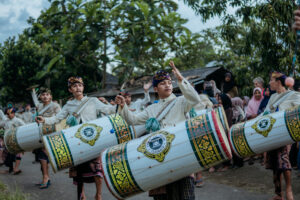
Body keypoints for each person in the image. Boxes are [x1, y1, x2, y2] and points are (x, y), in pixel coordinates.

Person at [116, 61, 200, 200]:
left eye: (169, 82)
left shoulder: (181, 102)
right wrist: (123, 106)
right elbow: (133, 120)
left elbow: (195, 99)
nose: (167, 85)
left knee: (186, 196)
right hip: (160, 158)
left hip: (181, 154)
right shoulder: (151, 109)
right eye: (162, 83)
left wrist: (180, 79)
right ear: (155, 89)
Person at [36, 77, 115, 200]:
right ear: (70, 89)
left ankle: (98, 195)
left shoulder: (92, 101)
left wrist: (118, 105)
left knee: (97, 170)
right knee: (79, 172)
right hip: (76, 141)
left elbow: (109, 110)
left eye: (80, 85)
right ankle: (81, 195)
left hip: (94, 139)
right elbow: (57, 118)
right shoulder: (69, 105)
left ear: (83, 87)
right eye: (74, 86)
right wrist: (45, 120)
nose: (78, 88)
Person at [263, 72, 300, 200]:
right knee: (274, 163)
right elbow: (265, 114)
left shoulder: (293, 95)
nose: (269, 83)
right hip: (271, 133)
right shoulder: (272, 97)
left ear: (278, 81)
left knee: (284, 161)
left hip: (284, 133)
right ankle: (279, 193)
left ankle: (289, 190)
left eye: (271, 80)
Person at [31, 87, 61, 189]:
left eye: (47, 94)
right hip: (39, 134)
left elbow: (60, 119)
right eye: (43, 95)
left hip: (51, 134)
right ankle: (45, 177)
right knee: (41, 158)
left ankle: (45, 178)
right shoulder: (39, 106)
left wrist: (46, 120)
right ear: (40, 97)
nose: (45, 96)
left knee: (43, 156)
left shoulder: (55, 106)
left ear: (51, 96)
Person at [0, 107, 25, 174]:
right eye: (7, 114)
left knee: (18, 154)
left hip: (17, 140)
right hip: (8, 141)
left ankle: (16, 169)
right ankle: (11, 169)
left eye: (10, 113)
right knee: (8, 157)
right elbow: (1, 125)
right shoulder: (6, 121)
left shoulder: (18, 120)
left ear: (13, 113)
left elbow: (25, 128)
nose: (8, 115)